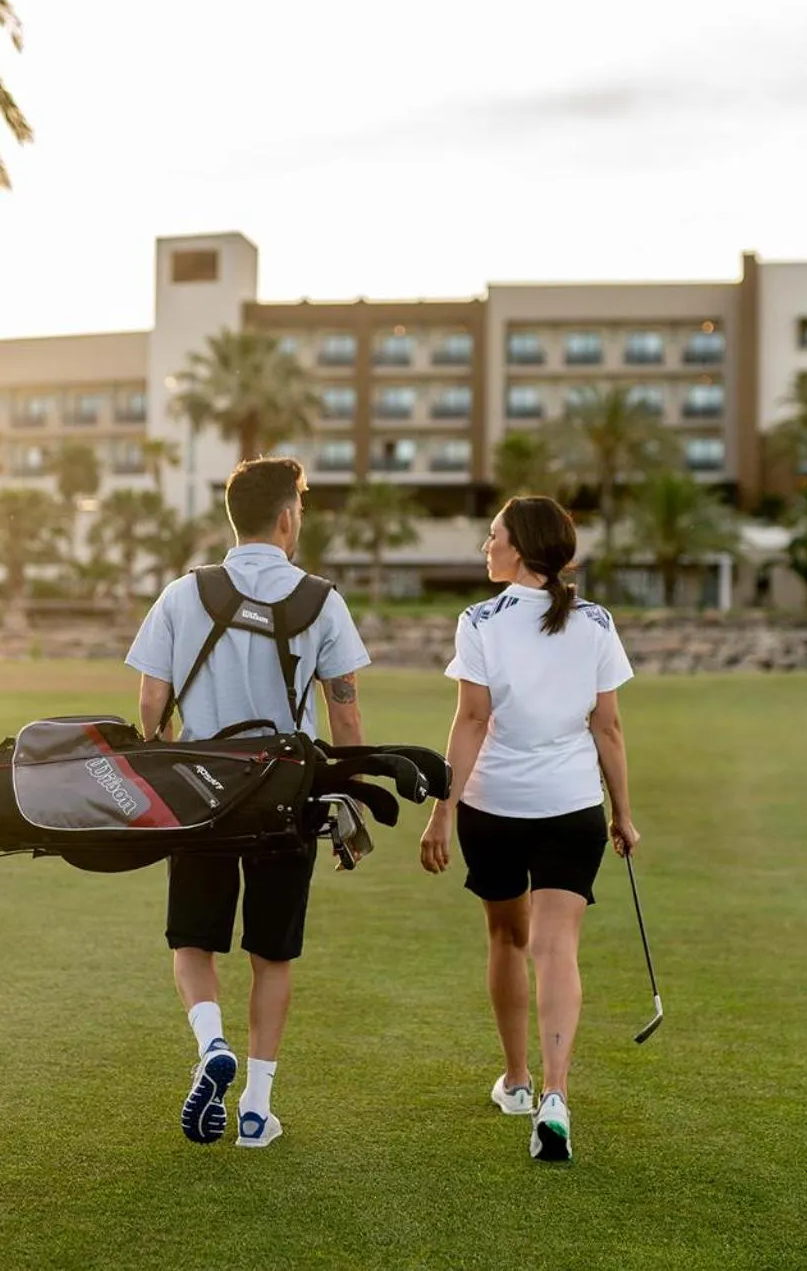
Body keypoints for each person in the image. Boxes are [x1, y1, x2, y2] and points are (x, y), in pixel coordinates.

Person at [125, 456, 369, 1150]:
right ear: (288, 517)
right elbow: (346, 720)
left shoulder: (181, 593)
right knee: (272, 954)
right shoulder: (322, 599)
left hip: (201, 796)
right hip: (286, 799)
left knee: (193, 942)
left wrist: (171, 764)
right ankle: (257, 1109)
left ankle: (211, 1047)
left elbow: (149, 706)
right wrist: (346, 799)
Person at [418, 496, 638, 1163]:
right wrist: (623, 813)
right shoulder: (596, 620)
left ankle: (518, 1080)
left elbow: (472, 719)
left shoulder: (479, 619)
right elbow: (608, 728)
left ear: (520, 550)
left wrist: (442, 808)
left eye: (493, 536)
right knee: (555, 948)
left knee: (507, 938)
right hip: (571, 808)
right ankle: (555, 1095)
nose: (485, 545)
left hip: (495, 806)